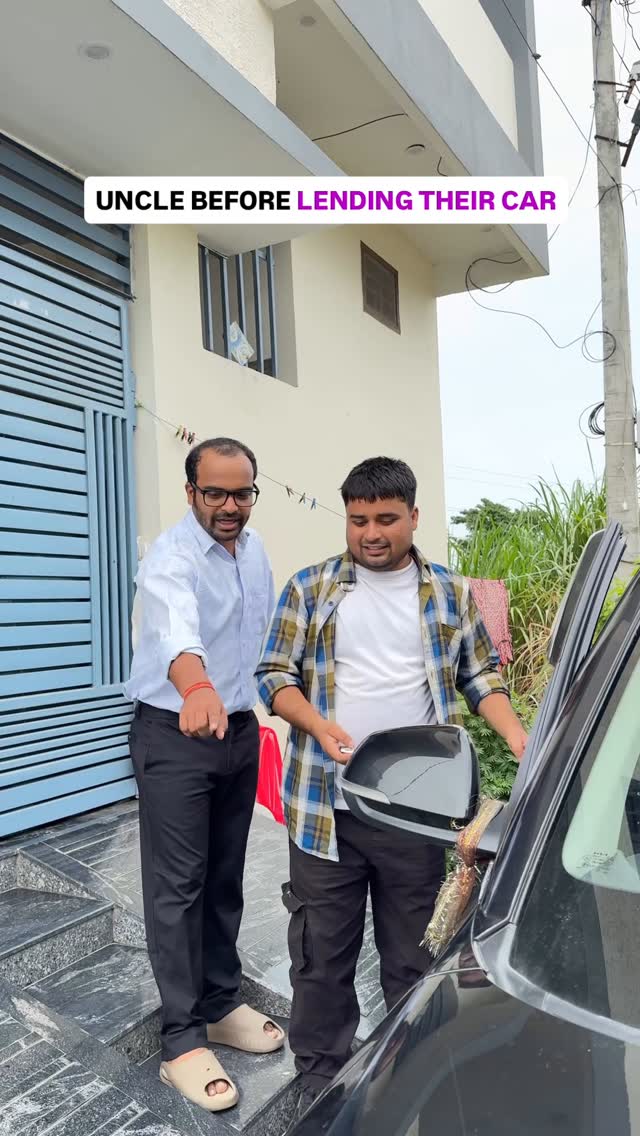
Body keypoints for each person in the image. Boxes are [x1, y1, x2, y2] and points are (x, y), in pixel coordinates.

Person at [256, 456, 527, 1123]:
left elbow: (481, 676)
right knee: (321, 954)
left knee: (413, 954)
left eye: (385, 519)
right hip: (326, 808)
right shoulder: (311, 587)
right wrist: (317, 724)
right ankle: (322, 1079)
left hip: (417, 811)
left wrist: (522, 739)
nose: (371, 533)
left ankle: (410, 1073)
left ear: (413, 516)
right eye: (358, 520)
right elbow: (273, 675)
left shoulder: (448, 592)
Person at [125, 437, 284, 1113]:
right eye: (214, 492)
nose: (229, 506)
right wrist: (196, 687)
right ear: (191, 491)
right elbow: (176, 635)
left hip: (238, 731)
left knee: (224, 876)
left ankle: (220, 1003)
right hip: (176, 732)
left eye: (241, 493)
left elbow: (258, 636)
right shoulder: (171, 557)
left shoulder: (254, 550)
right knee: (178, 886)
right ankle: (182, 1039)